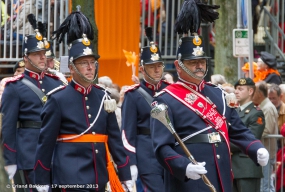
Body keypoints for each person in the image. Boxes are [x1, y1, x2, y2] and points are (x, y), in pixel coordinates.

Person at [150, 1, 269, 191]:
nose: (199, 66)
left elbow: (237, 130)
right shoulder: (166, 99)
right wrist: (184, 166)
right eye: (193, 62)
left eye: (202, 61)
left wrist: (256, 148)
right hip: (190, 178)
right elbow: (162, 147)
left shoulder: (218, 93)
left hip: (221, 174)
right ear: (179, 65)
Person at [33, 10, 133, 192]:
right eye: (83, 63)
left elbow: (115, 141)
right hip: (69, 177)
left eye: (92, 62)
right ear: (72, 67)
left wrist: (125, 174)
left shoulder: (103, 96)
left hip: (98, 175)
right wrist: (41, 180)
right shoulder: (57, 99)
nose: (89, 67)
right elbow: (45, 144)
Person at [1, 15, 63, 192]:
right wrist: (10, 159)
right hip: (30, 153)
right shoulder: (15, 87)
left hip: (56, 153)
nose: (42, 58)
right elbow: (8, 126)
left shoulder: (57, 83)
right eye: (37, 54)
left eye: (43, 54)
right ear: (26, 57)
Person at [121, 27, 170, 191]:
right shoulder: (133, 95)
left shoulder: (171, 90)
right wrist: (132, 163)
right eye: (152, 67)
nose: (157, 70)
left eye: (159, 66)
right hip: (146, 153)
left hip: (171, 151)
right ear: (142, 69)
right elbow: (127, 134)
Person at [232, 77, 265, 192]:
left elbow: (251, 139)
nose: (236, 91)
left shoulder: (256, 114)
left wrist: (224, 143)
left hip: (247, 167)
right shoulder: (233, 112)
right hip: (232, 167)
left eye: (240, 89)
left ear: (250, 91)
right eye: (236, 89)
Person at [253, 81, 278, 192]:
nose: (251, 94)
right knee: (266, 184)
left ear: (259, 93)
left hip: (266, 150)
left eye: (253, 91)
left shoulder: (267, 108)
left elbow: (266, 130)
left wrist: (251, 135)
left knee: (266, 185)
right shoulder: (264, 106)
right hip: (264, 150)